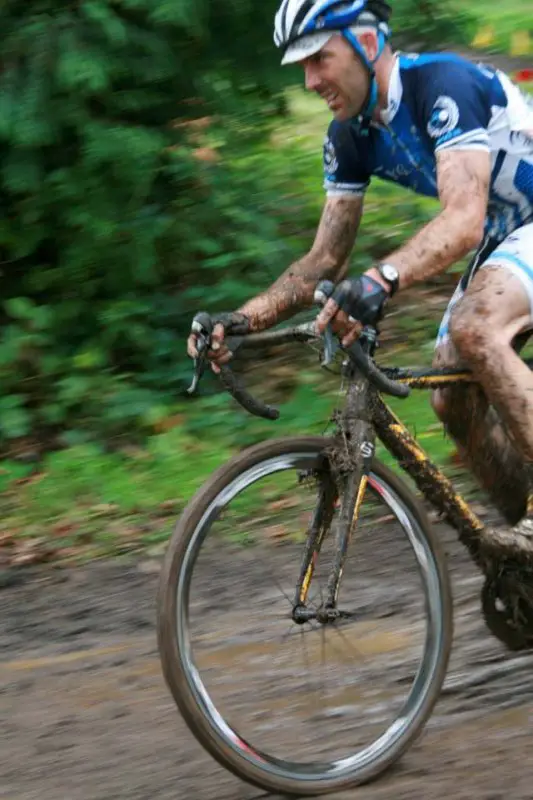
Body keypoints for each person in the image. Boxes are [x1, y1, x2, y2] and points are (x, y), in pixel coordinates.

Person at [188, 0, 533, 537]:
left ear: (368, 44)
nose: (308, 81)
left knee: (474, 328)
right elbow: (322, 261)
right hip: (507, 231)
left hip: (512, 222)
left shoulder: (443, 85)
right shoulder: (349, 134)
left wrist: (380, 280)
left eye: (319, 59)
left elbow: (464, 219)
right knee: (451, 399)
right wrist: (242, 319)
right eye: (301, 66)